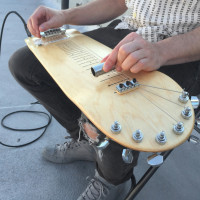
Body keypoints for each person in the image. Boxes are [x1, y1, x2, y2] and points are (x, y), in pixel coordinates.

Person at [9, 0, 200, 199]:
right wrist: (64, 16)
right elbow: (118, 2)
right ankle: (88, 141)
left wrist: (161, 52)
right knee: (24, 65)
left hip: (180, 51)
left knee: (117, 101)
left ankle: (113, 180)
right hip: (128, 33)